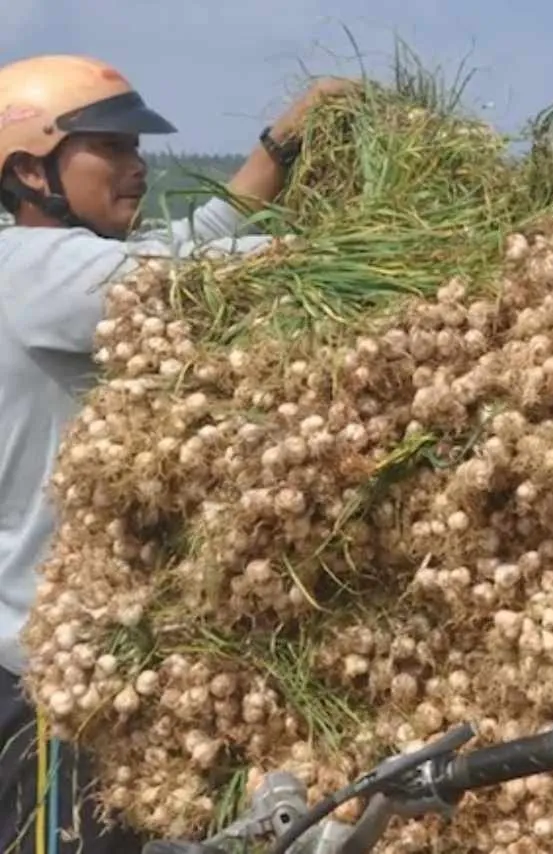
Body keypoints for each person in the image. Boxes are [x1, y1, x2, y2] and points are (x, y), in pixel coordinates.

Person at [0, 54, 355, 854]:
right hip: (51, 682)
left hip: (94, 664)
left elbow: (184, 246)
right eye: (112, 149)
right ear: (30, 168)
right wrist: (365, 240)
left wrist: (277, 151)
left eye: (137, 150)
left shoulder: (62, 267)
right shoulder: (34, 270)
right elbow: (195, 276)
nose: (136, 167)